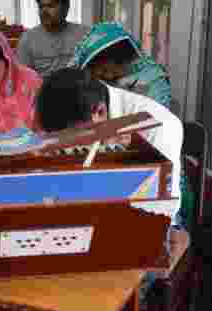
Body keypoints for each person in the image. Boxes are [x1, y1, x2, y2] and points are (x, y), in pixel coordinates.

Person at [5, 68, 127, 311]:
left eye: (68, 138)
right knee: (19, 281)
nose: (62, 145)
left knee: (111, 306)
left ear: (99, 116)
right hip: (76, 216)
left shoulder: (157, 128)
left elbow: (157, 210)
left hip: (141, 232)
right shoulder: (63, 109)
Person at [69, 22, 190, 232]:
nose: (106, 76)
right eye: (98, 70)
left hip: (150, 171)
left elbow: (149, 144)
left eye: (110, 68)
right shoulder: (90, 86)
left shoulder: (151, 83)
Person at [15, 0, 87, 79]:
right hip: (41, 89)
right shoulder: (28, 39)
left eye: (50, 6)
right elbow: (23, 78)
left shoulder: (83, 34)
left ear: (66, 8)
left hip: (77, 88)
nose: (44, 11)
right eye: (41, 7)